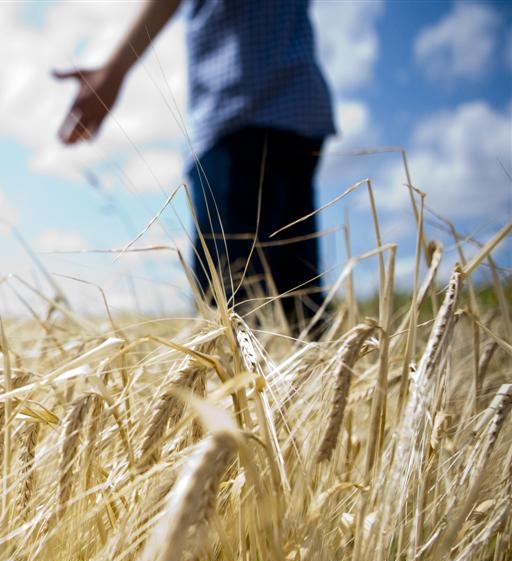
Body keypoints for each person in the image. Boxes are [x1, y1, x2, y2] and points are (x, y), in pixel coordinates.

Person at [56, 0, 335, 338]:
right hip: (302, 111)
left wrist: (114, 70)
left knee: (225, 311)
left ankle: (231, 389)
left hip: (237, 110)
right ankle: (319, 379)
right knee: (300, 297)